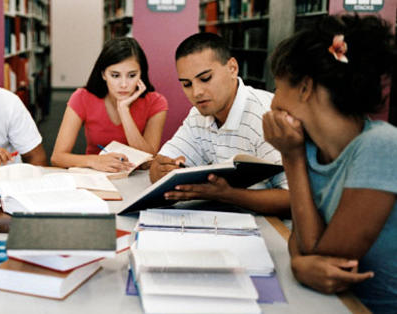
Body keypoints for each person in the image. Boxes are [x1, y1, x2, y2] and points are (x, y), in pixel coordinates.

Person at [264, 14, 396, 312]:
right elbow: (303, 249)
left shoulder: (381, 146)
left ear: (305, 87)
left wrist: (291, 158)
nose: (272, 102)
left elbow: (323, 260)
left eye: (277, 87)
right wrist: (301, 264)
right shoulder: (308, 146)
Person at [149, 32, 290, 215]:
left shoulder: (265, 115)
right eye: (186, 84)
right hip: (226, 220)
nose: (197, 92)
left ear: (232, 68)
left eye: (205, 78)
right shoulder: (198, 115)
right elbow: (159, 164)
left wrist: (227, 195)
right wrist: (160, 171)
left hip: (274, 228)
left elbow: (293, 199)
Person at [50, 37, 168, 172]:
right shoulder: (82, 98)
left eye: (131, 75)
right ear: (104, 74)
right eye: (115, 75)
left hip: (136, 177)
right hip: (95, 173)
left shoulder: (156, 102)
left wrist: (124, 111)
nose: (123, 84)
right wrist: (95, 161)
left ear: (141, 74)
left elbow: (148, 161)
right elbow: (57, 158)